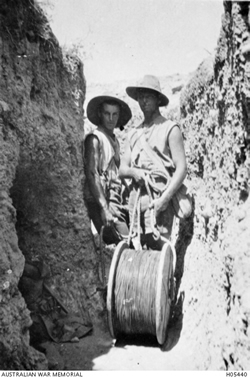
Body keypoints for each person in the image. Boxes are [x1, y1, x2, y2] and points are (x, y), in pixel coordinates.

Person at [119, 75, 187, 250]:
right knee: (139, 257)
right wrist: (135, 173)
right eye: (141, 96)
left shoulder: (170, 129)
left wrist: (164, 200)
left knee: (159, 254)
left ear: (158, 99)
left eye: (148, 96)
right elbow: (122, 169)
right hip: (135, 205)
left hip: (159, 202)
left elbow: (181, 169)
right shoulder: (133, 133)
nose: (144, 100)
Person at [84, 94, 132, 244]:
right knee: (125, 245)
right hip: (103, 203)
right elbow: (92, 175)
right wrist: (104, 208)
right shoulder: (95, 138)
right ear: (100, 114)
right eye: (107, 113)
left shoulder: (115, 141)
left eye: (114, 114)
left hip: (115, 201)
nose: (111, 118)